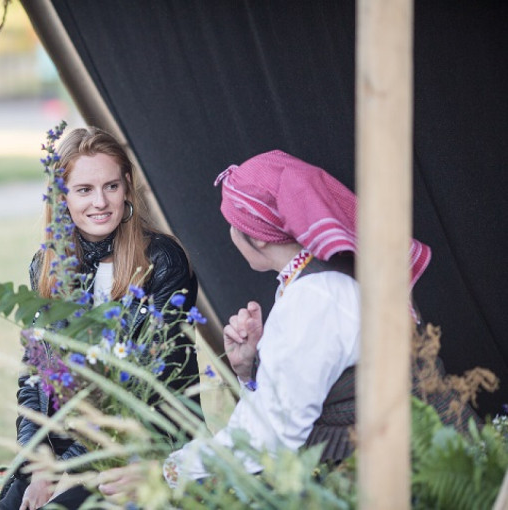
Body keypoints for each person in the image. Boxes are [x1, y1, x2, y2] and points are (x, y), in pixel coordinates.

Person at [98, 149, 433, 495]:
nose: (229, 231)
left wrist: (168, 472)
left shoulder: (316, 298)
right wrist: (248, 370)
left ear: (257, 236)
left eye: (232, 221)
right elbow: (288, 401)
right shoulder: (314, 281)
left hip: (412, 483)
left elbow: (272, 435)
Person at [0, 126, 201, 510]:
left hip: (145, 449)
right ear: (63, 197)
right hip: (61, 449)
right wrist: (40, 465)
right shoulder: (47, 266)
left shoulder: (162, 261)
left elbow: (158, 387)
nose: (100, 202)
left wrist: (79, 471)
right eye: (84, 189)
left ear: (127, 187)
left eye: (110, 186)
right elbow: (35, 379)